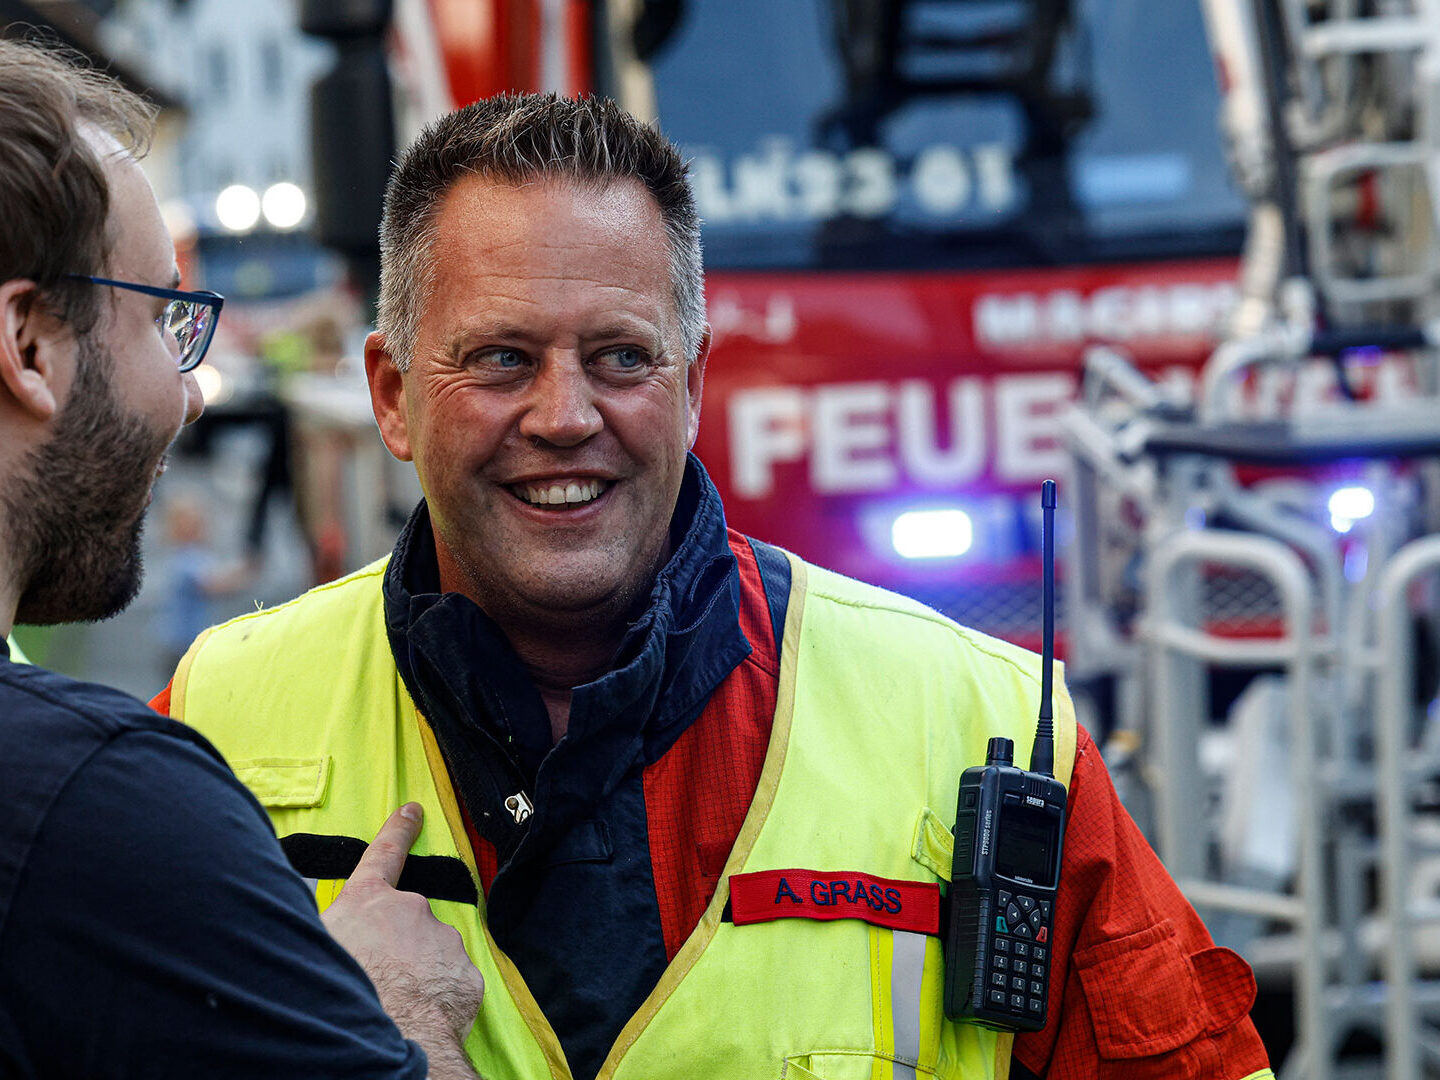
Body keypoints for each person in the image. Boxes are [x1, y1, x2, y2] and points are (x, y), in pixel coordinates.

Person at [158, 93, 1276, 1080]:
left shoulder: (985, 729)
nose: (565, 417)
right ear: (393, 395)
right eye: (502, 358)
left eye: (621, 357)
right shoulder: (217, 725)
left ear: (692, 389)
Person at [0, 39, 483, 1078]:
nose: (186, 393)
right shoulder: (93, 804)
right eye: (163, 319)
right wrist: (396, 1010)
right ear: (28, 345)